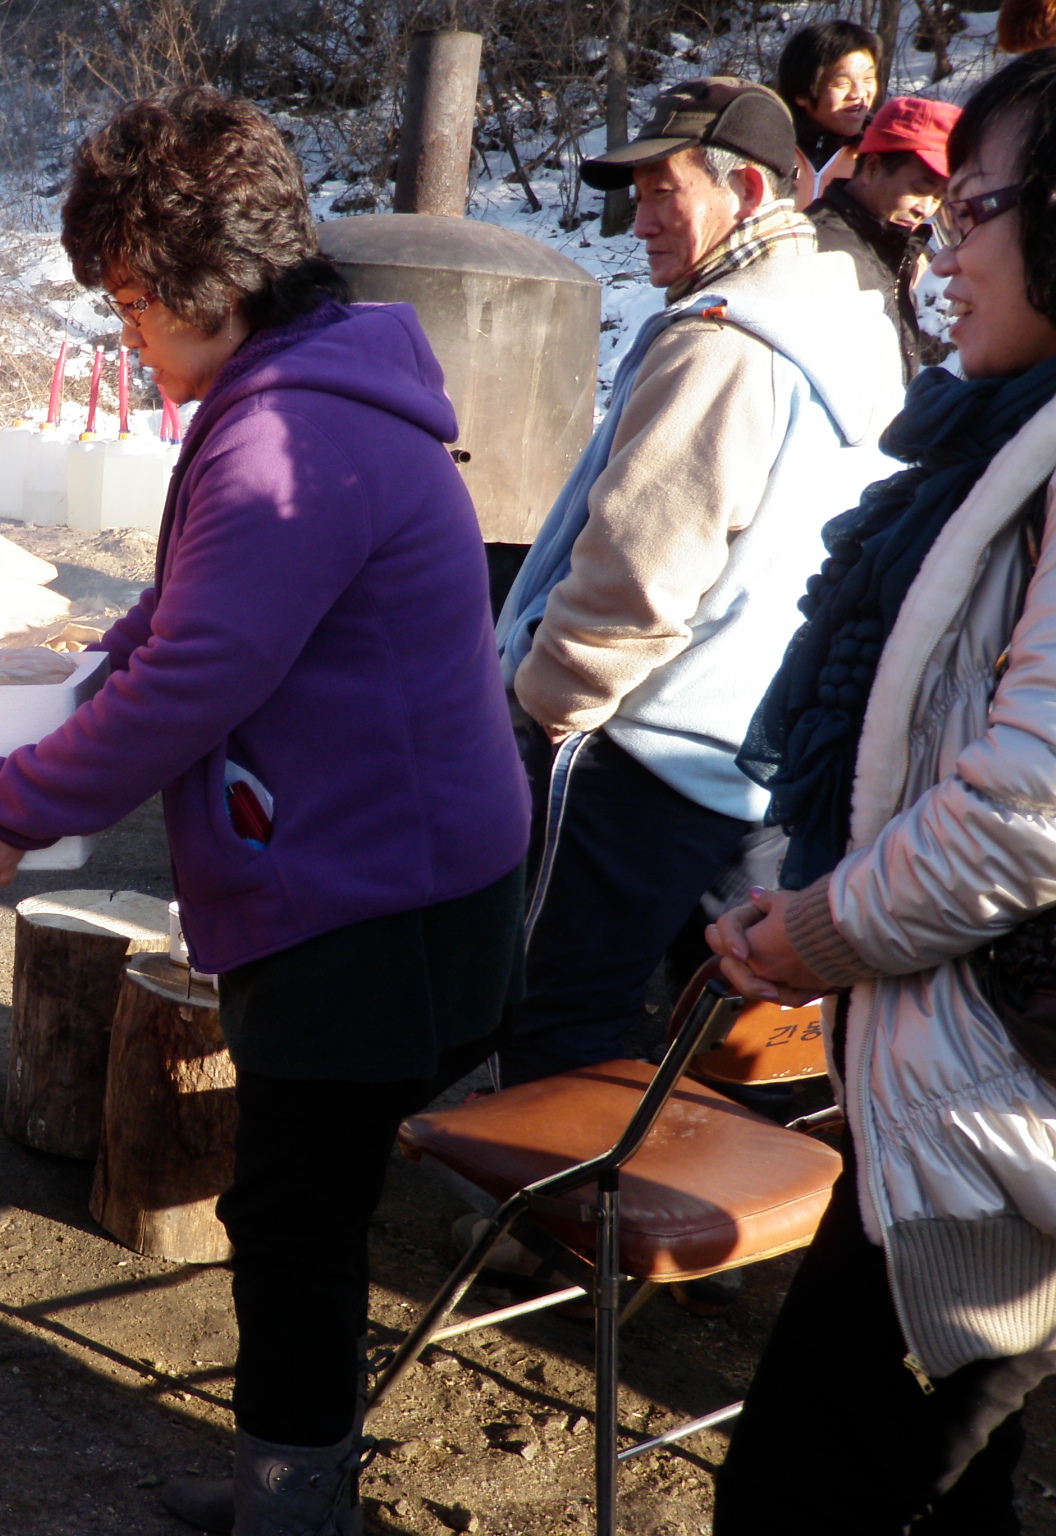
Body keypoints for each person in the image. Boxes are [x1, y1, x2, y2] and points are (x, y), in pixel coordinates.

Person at [0, 87, 531, 1536]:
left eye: (131, 302)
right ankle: (297, 1476)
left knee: (293, 1220)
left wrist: (2, 807)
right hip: (401, 875)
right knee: (301, 1204)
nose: (130, 336)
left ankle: (292, 1504)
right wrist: (74, 675)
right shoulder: (315, 386)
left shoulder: (286, 436)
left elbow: (201, 673)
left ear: (210, 283)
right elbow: (185, 615)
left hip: (370, 907)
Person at [714, 50, 1056, 1534]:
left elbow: (1024, 811)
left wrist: (819, 931)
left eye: (974, 208)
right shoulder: (1001, 440)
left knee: (807, 1499)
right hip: (962, 1076)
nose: (942, 247)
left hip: (1005, 1099)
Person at [493, 79, 900, 1089]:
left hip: (646, 747)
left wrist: (547, 703)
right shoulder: (849, 319)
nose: (638, 221)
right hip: (767, 753)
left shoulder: (722, 342)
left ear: (747, 189)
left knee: (561, 1010)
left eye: (661, 192)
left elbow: (636, 571)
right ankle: (687, 1177)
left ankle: (551, 1195)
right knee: (735, 1032)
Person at [808, 95, 959, 380]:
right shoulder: (815, 248)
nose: (925, 210)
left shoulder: (894, 253)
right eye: (920, 189)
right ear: (872, 167)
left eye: (939, 198)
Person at [776, 19, 882, 205]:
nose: (859, 94)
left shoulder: (877, 158)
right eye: (842, 83)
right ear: (801, 94)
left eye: (868, 79)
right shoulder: (765, 146)